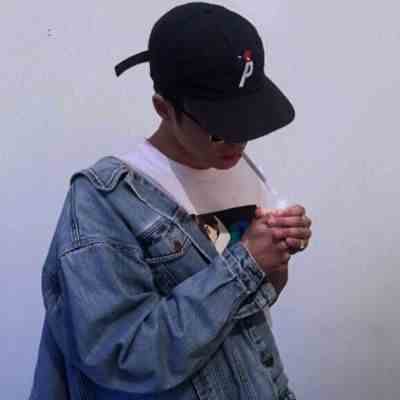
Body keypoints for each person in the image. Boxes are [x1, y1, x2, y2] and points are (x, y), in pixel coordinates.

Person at [29, 3, 312, 400]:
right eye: (219, 130)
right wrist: (247, 263)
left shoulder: (243, 171)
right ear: (164, 108)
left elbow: (251, 308)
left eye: (246, 124)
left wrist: (276, 255)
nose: (236, 143)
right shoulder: (104, 201)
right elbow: (122, 356)